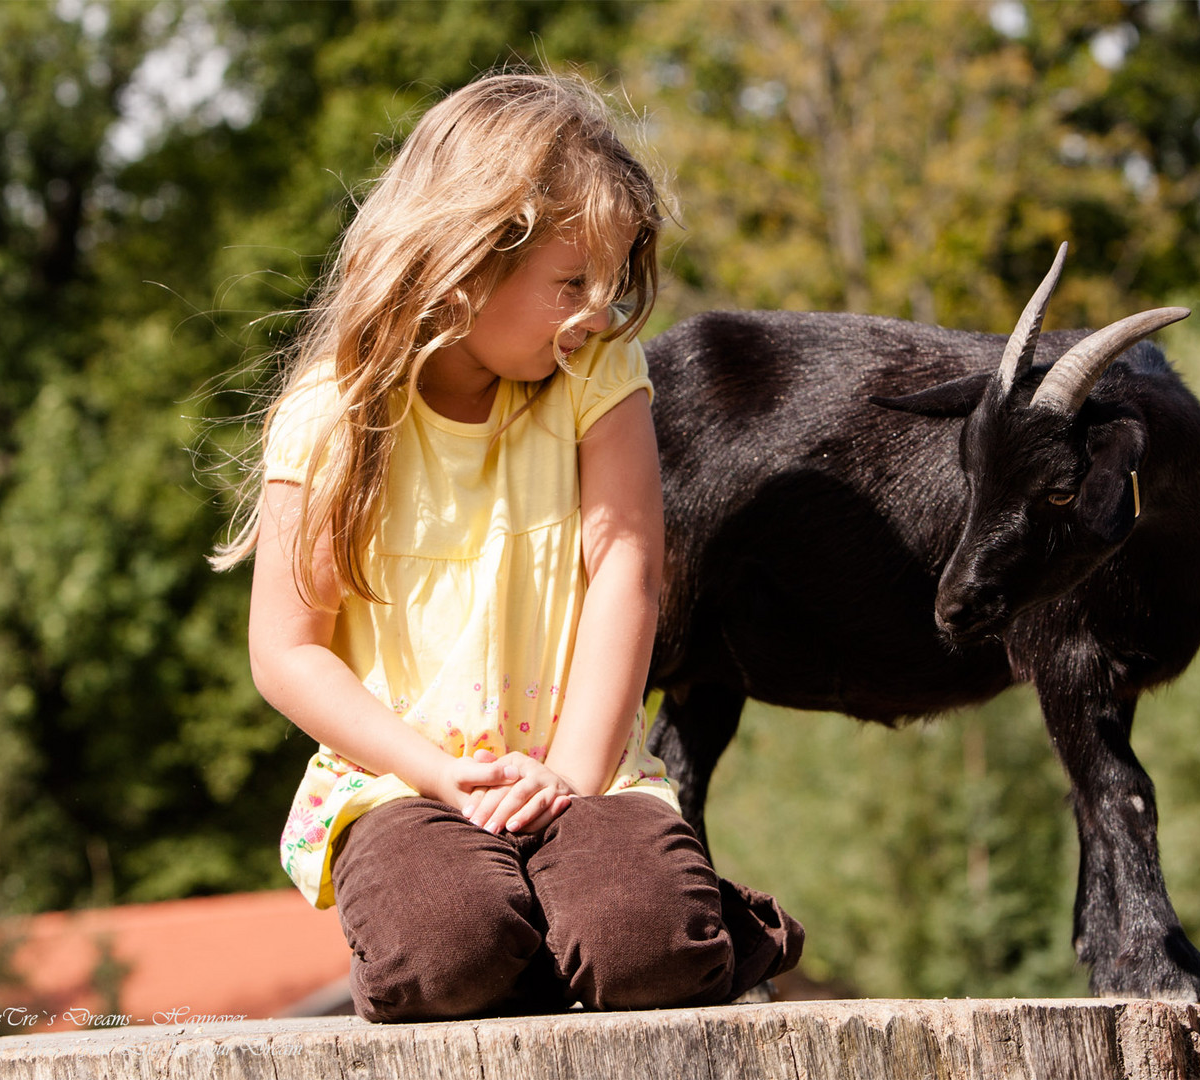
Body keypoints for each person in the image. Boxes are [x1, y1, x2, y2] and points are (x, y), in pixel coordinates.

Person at [212, 71, 802, 1022]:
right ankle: (513, 936)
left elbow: (626, 573)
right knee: (449, 952)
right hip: (402, 784)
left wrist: (568, 775)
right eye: (572, 283)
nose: (600, 311)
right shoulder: (330, 414)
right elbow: (286, 652)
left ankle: (696, 925)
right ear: (466, 262)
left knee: (644, 949)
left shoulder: (596, 376)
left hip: (584, 767)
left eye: (610, 284)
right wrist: (437, 773)